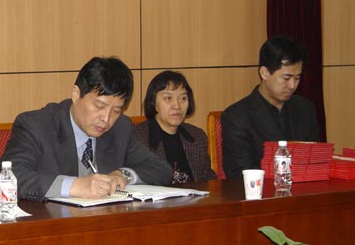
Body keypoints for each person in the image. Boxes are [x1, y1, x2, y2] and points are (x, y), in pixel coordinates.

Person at [0, 56, 172, 201]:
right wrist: (74, 186)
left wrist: (122, 175)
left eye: (116, 110)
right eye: (99, 106)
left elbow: (160, 168)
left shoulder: (121, 128)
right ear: (76, 94)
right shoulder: (36, 125)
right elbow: (10, 175)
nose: (106, 119)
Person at [221, 35, 320, 179]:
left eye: (297, 78)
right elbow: (239, 174)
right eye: (286, 78)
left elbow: (317, 161)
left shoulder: (305, 108)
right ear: (264, 73)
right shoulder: (237, 117)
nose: (292, 85)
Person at [134, 71, 216, 182]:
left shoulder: (197, 136)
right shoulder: (137, 138)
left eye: (183, 98)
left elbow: (208, 180)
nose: (177, 106)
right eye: (168, 98)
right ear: (153, 102)